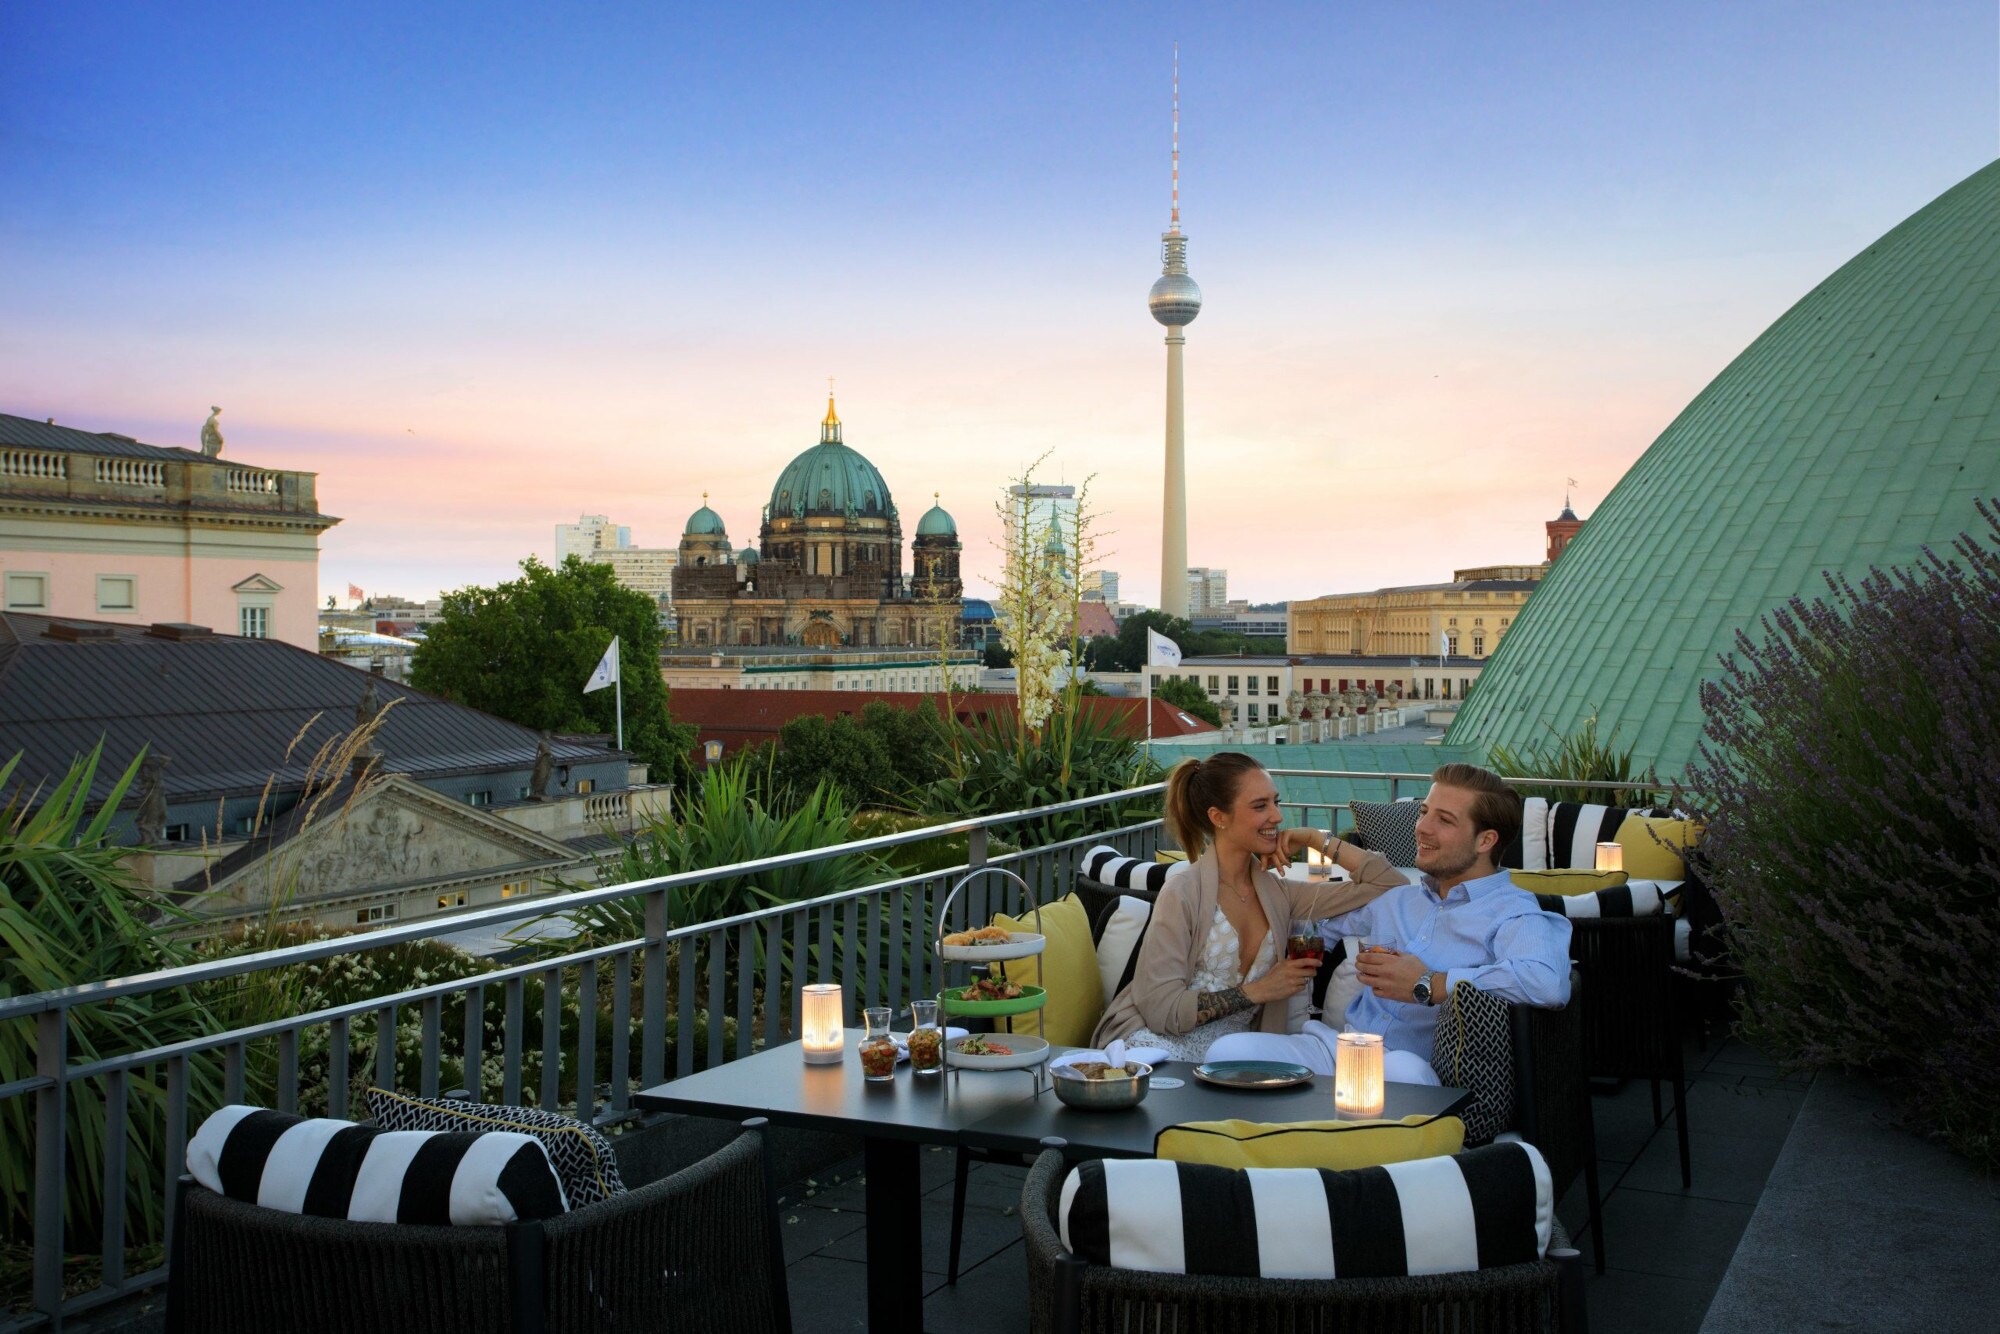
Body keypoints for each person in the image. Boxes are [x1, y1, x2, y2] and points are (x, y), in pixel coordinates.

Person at [1206, 762, 1571, 1085]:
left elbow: (1546, 983)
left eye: (1443, 820)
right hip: (1343, 1050)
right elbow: (1316, 928)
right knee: (1227, 1053)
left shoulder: (1513, 912)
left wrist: (1430, 983)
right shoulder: (1398, 899)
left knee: (1406, 1077)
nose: (1422, 827)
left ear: (1485, 840)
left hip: (1411, 1067)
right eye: (1424, 812)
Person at [1090, 752, 1406, 1058]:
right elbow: (1161, 1011)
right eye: (1260, 806)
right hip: (1157, 1047)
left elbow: (1389, 884)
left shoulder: (1280, 894)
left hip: (1238, 1054)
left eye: (1276, 802)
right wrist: (1259, 991)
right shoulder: (1182, 893)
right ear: (1218, 817)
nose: (1278, 816)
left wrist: (1314, 839)